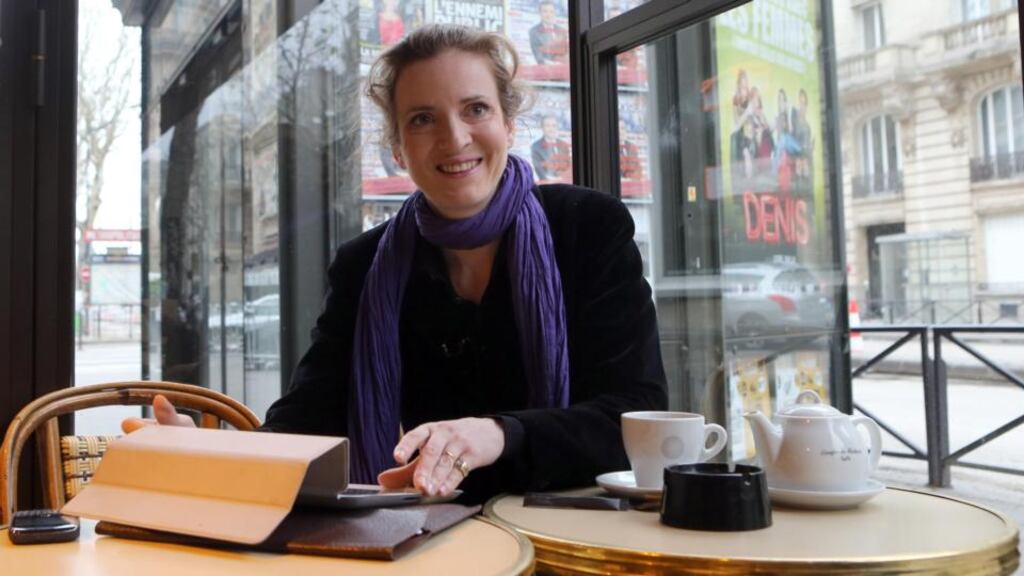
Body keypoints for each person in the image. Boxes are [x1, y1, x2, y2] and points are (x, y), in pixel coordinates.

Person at [124, 24, 667, 504]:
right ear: (399, 148)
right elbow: (308, 419)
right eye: (423, 118)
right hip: (432, 535)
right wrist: (214, 452)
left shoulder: (588, 227)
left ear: (508, 124)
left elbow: (636, 412)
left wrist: (498, 433)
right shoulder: (364, 266)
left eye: (475, 109)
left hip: (574, 531)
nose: (454, 138)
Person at [530, 115, 570, 181]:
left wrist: (563, 178)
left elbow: (567, 167)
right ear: (542, 128)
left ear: (557, 127)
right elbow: (539, 170)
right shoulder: (535, 147)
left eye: (554, 126)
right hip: (548, 184)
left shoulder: (564, 145)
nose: (551, 129)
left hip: (564, 183)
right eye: (547, 126)